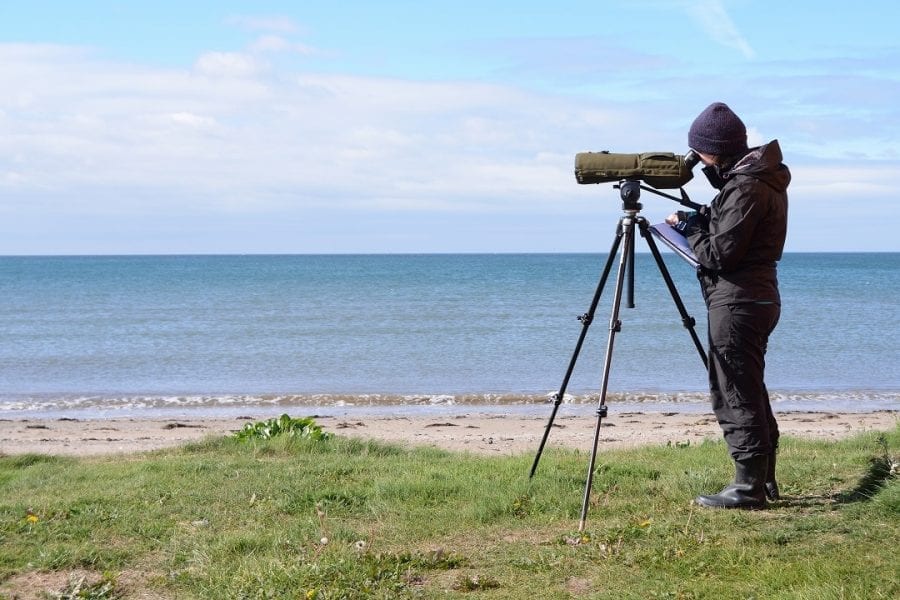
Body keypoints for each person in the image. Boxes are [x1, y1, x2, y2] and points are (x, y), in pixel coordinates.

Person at [666, 102, 790, 509]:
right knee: (747, 386)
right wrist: (701, 217)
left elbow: (719, 254)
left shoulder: (747, 186)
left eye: (698, 152)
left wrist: (690, 230)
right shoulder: (755, 178)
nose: (696, 159)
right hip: (755, 296)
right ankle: (762, 479)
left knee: (734, 390)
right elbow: (733, 228)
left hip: (739, 300)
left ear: (712, 151)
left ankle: (748, 489)